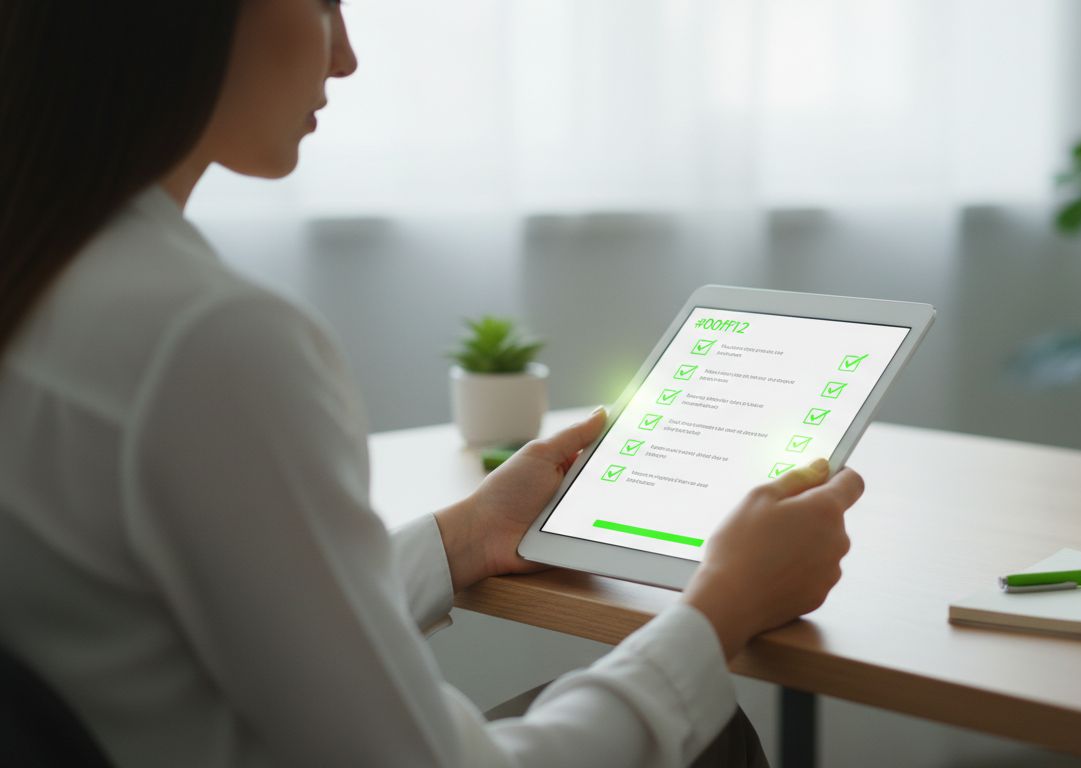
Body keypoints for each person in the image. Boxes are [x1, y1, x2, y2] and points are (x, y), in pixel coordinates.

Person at [0, 1, 863, 766]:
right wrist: (723, 608)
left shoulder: (51, 276)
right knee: (710, 734)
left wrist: (463, 539)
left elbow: (242, 629)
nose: (345, 56)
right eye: (324, 4)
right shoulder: (207, 339)